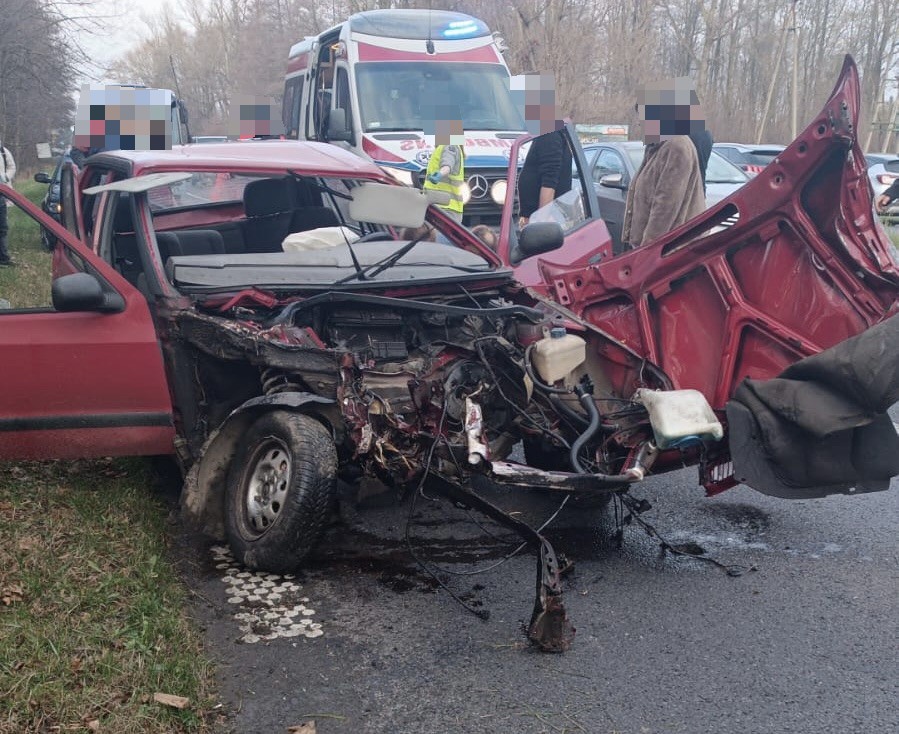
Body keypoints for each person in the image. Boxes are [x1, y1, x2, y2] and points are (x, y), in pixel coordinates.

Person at [621, 79, 705, 249]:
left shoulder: (676, 147)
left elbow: (665, 206)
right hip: (652, 251)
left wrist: (646, 252)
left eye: (643, 115)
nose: (639, 122)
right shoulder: (657, 147)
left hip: (669, 255)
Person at [517, 129, 572, 228]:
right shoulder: (547, 135)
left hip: (548, 220)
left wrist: (540, 223)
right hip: (541, 218)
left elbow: (549, 183)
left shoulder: (549, 135)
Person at [423, 134, 465, 222]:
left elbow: (447, 165)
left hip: (446, 209)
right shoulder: (444, 146)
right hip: (443, 207)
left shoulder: (449, 145)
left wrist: (439, 174)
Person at [0, 139, 17, 266]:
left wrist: (6, 176)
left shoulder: (4, 152)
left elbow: (12, 167)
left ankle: (4, 258)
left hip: (2, 194)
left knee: (3, 227)